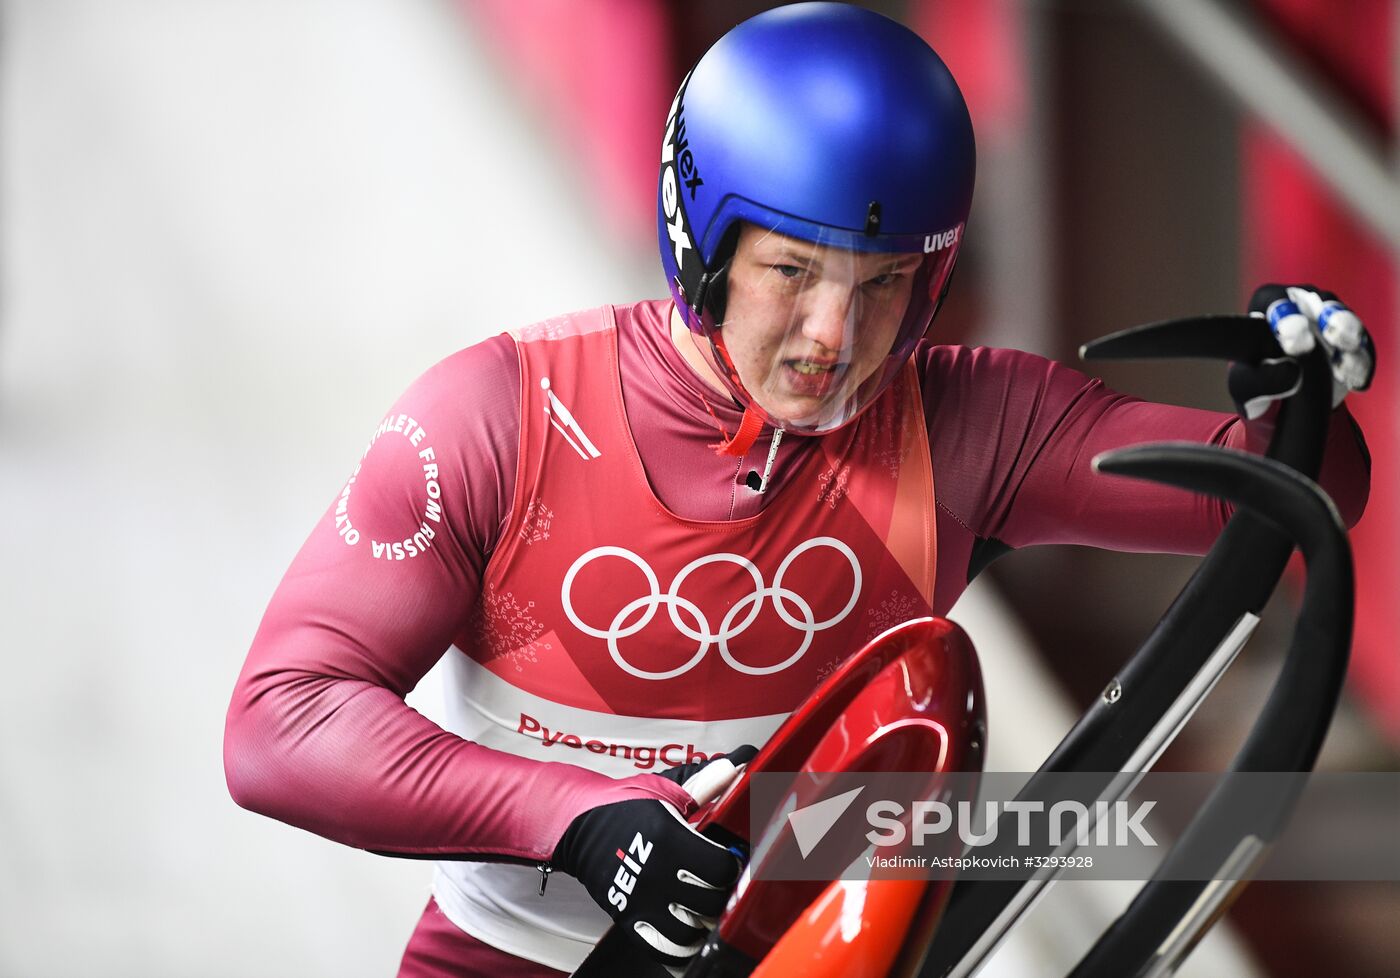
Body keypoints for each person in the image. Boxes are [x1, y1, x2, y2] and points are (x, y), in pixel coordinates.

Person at [223, 4, 1374, 977]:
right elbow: (279, 722)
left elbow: (1293, 497)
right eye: (791, 272)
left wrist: (1291, 401)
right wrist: (572, 821)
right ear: (700, 241)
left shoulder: (969, 424)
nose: (834, 337)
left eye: (885, 284)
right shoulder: (495, 416)